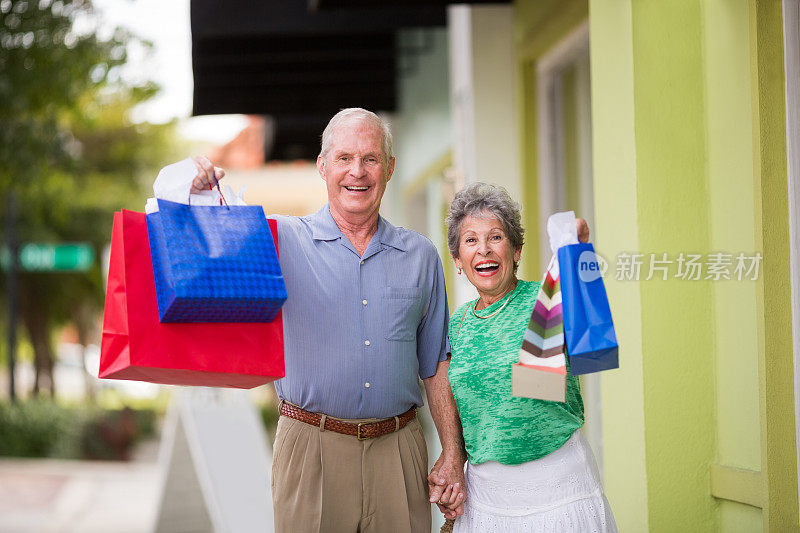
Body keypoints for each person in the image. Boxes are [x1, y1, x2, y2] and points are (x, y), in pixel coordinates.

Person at [190, 108, 466, 532]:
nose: (358, 171)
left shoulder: (421, 256)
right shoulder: (279, 240)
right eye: (344, 158)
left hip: (399, 451)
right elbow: (202, 260)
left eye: (371, 159)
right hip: (310, 448)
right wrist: (193, 196)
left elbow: (435, 364)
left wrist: (451, 451)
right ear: (322, 165)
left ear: (389, 168)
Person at [433, 182, 616, 531]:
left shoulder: (547, 301)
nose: (484, 249)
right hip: (487, 499)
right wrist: (451, 464)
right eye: (471, 240)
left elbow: (590, 338)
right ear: (457, 259)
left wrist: (576, 251)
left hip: (559, 493)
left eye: (496, 237)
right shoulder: (456, 325)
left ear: (516, 251)